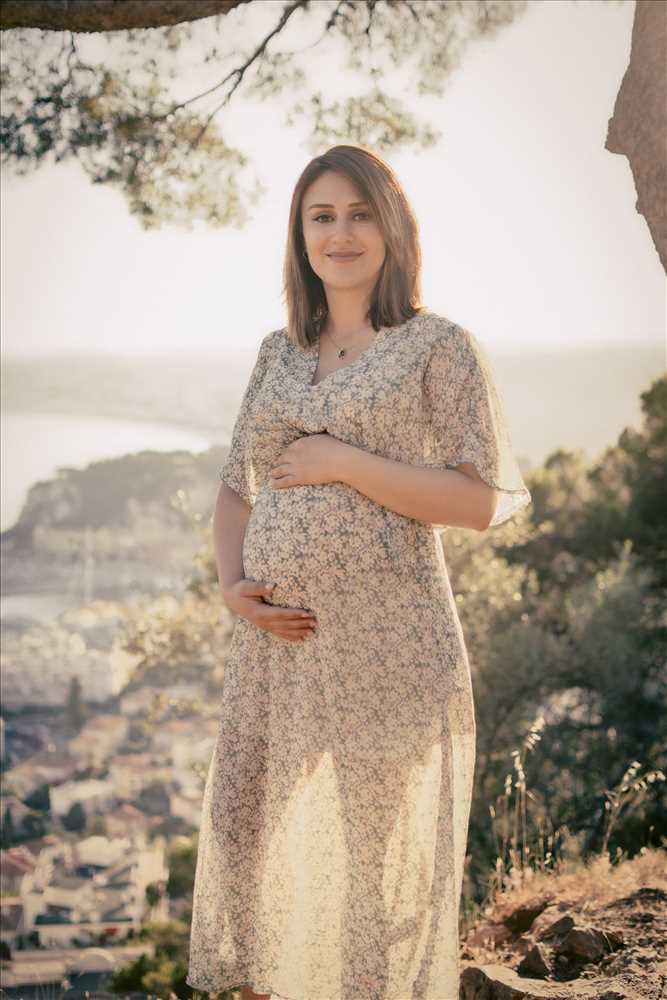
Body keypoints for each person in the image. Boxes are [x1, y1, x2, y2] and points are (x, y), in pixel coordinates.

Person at [186, 144, 532, 1000]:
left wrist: (342, 460)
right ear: (299, 235)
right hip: (278, 647)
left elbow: (480, 501)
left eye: (358, 214)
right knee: (245, 837)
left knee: (371, 864)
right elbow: (235, 487)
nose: (339, 234)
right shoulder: (278, 352)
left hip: (388, 641)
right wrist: (233, 588)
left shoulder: (436, 347)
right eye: (321, 216)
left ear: (392, 227)